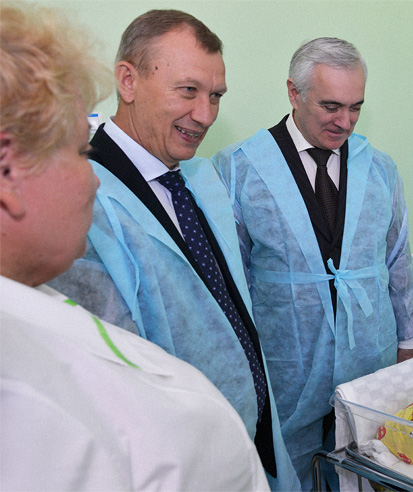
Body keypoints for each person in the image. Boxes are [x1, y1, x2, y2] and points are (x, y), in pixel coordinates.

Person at [0, 3, 270, 489]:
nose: (206, 114)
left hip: (240, 437)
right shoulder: (88, 215)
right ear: (128, 81)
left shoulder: (203, 179)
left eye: (215, 96)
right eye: (188, 90)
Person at [212, 37, 413, 487]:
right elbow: (231, 279)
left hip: (369, 349)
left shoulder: (379, 169)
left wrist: (408, 344)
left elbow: (398, 260)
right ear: (294, 92)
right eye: (331, 106)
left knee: (368, 459)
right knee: (290, 464)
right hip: (286, 357)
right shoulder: (239, 168)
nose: (344, 121)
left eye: (356, 107)